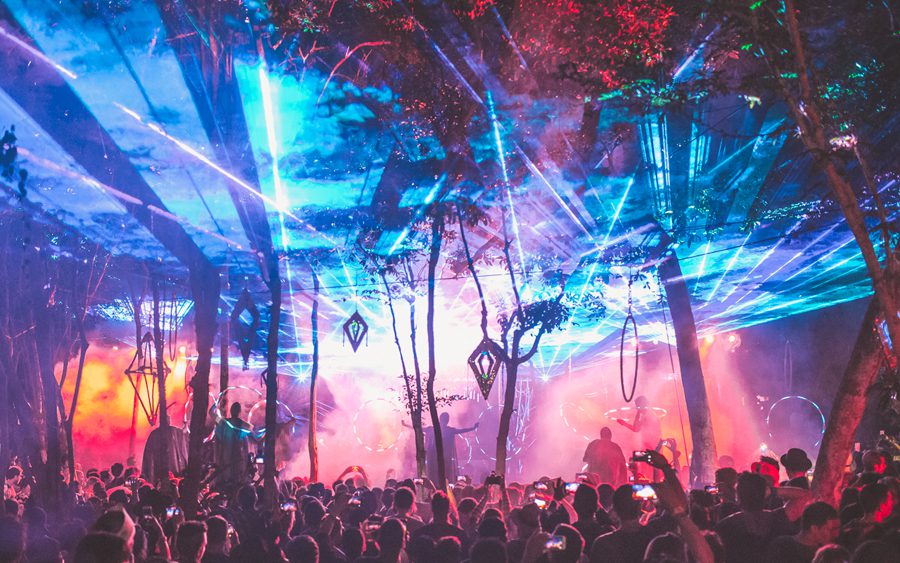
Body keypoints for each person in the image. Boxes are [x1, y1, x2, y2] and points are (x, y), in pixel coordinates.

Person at [765, 502, 839, 563]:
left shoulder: (830, 553)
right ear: (814, 529)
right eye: (830, 529)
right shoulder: (783, 546)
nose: (836, 534)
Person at [425, 413, 478, 485]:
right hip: (443, 458)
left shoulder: (433, 429)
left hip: (437, 458)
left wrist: (473, 428)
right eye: (446, 419)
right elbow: (462, 430)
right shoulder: (447, 430)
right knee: (445, 476)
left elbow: (419, 428)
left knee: (437, 476)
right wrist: (473, 428)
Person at [214, 403, 254, 487]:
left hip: (227, 455)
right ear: (239, 411)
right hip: (237, 455)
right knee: (236, 479)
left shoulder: (224, 422)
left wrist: (216, 403)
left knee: (228, 476)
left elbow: (211, 413)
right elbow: (251, 427)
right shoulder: (240, 423)